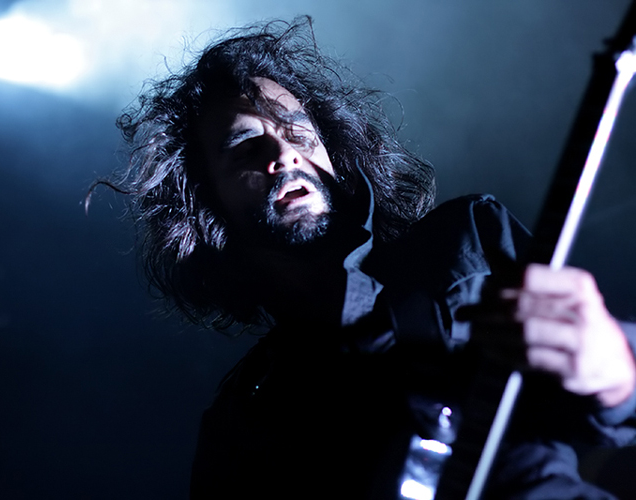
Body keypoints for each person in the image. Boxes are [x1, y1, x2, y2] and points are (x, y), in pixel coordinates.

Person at [106, 18, 636, 499]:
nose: (284, 154)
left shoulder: (465, 240)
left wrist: (616, 373)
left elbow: (606, 403)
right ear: (207, 201)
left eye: (297, 130)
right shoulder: (243, 420)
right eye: (244, 146)